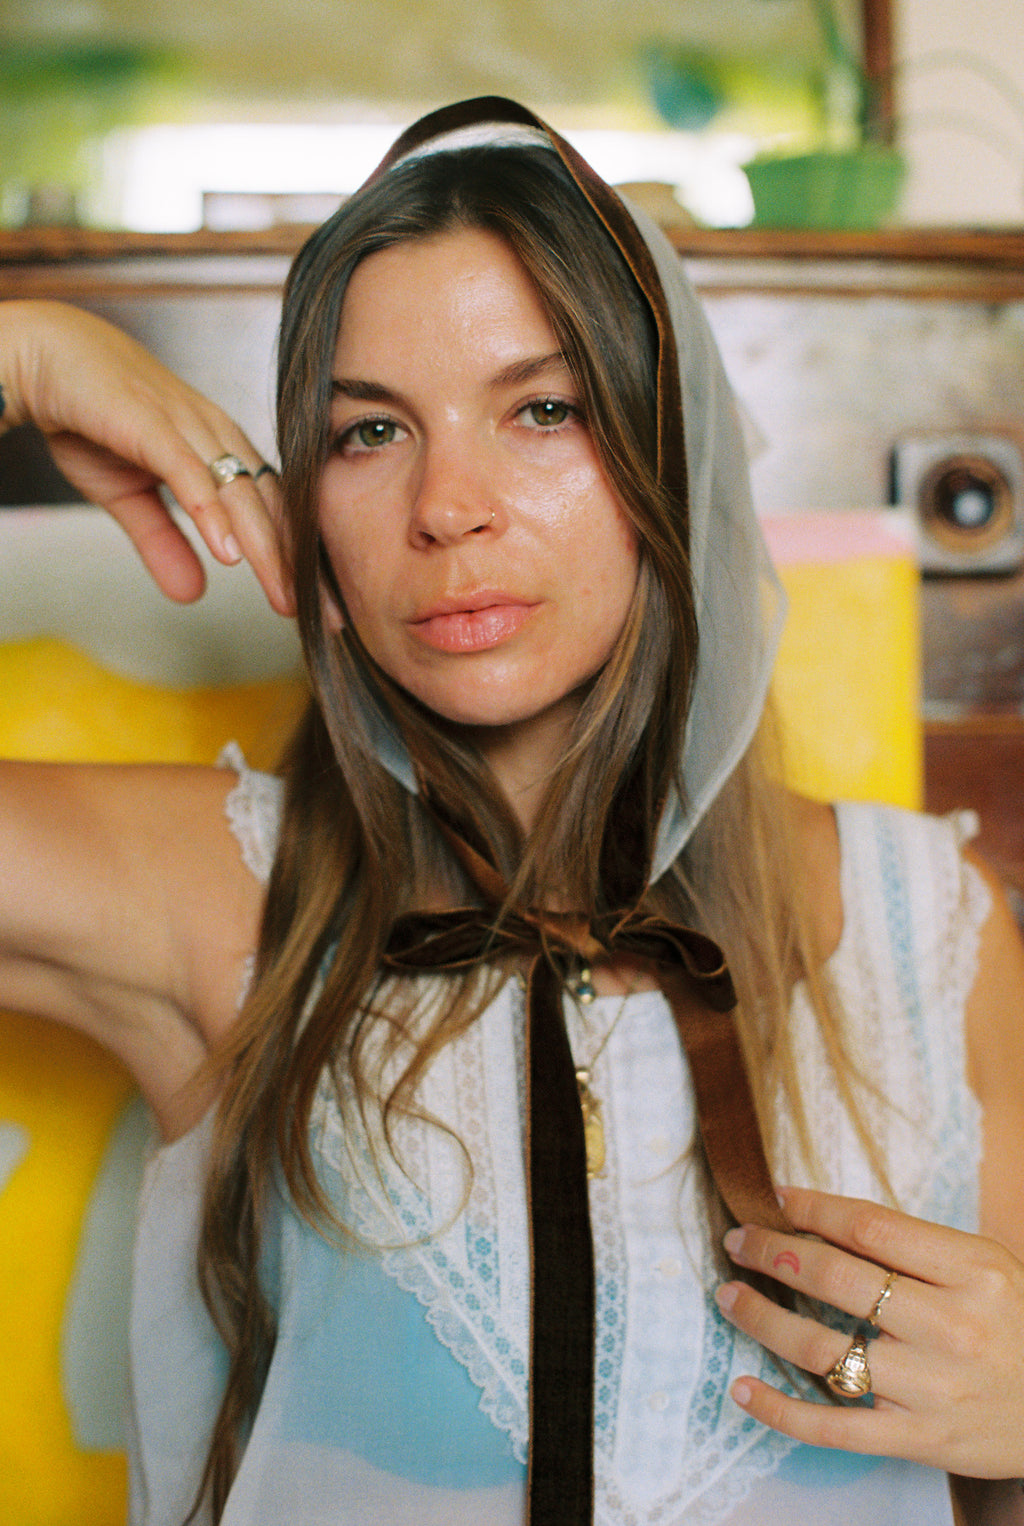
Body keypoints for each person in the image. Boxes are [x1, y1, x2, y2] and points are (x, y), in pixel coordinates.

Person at [1, 97, 1023, 1526]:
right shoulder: (228, 888)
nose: (447, 505)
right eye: (368, 431)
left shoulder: (932, 934)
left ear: (671, 450)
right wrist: (20, 353)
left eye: (543, 408)